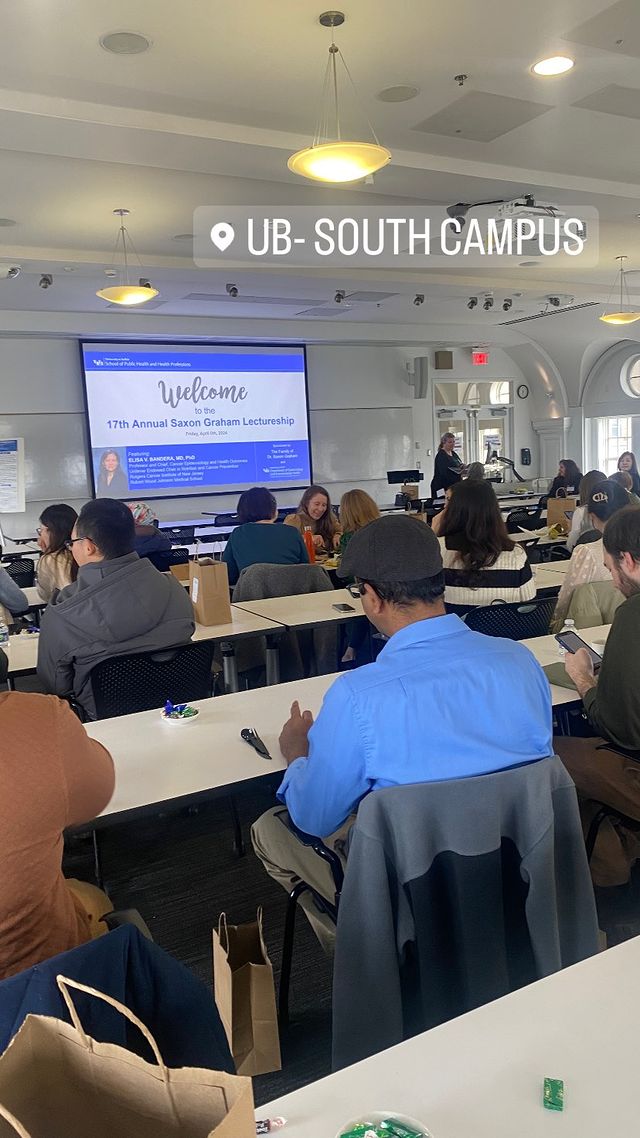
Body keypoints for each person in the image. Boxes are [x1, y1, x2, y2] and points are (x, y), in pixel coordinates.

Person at [251, 515, 553, 950]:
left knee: (269, 829)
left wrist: (298, 757)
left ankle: (371, 958)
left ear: (371, 598)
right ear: (441, 583)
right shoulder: (521, 663)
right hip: (517, 874)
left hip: (411, 890)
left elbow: (315, 817)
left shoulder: (357, 696)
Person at [37, 499, 194, 720]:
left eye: (72, 542)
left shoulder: (62, 612)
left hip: (103, 725)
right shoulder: (174, 588)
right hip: (177, 711)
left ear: (89, 547)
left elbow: (55, 685)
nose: (71, 547)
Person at [0, 690, 115, 979]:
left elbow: (54, 674)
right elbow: (92, 801)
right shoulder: (40, 718)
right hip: (43, 977)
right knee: (93, 899)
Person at [555, 506, 640, 886]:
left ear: (628, 561)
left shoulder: (632, 615)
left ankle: (588, 878)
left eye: (609, 569)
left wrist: (585, 681)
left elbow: (619, 729)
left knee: (548, 752)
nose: (612, 579)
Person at [439, 480, 535, 609]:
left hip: (454, 628)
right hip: (504, 628)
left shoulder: (437, 551)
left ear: (454, 510)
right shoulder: (516, 554)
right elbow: (528, 606)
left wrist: (433, 535)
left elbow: (425, 606)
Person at [551, 480, 631, 631]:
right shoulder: (633, 550)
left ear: (592, 516)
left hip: (591, 634)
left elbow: (566, 600)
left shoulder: (587, 553)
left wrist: (552, 621)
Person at [222, 486, 308, 586]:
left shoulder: (238, 533)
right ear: (274, 510)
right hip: (294, 594)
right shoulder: (292, 532)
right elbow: (306, 569)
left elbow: (228, 575)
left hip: (253, 595)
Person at [337, 489, 381, 664]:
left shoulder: (349, 537)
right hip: (383, 587)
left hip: (359, 588)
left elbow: (345, 573)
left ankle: (349, 649)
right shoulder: (382, 531)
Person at [36, 503, 78, 602]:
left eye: (41, 531)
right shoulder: (84, 551)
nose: (40, 536)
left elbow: (45, 596)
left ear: (50, 531)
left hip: (65, 613)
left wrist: (46, 552)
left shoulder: (49, 560)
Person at [284, 485, 341, 553]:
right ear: (307, 503)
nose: (320, 509)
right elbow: (285, 540)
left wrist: (338, 535)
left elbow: (342, 531)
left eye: (324, 505)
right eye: (317, 504)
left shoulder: (330, 519)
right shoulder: (294, 519)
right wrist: (307, 538)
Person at [565, 470, 606, 552]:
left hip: (586, 557)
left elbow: (571, 546)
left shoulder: (581, 512)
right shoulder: (616, 509)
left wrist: (570, 530)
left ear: (583, 489)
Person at [431, 432, 465, 497]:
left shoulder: (453, 453)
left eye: (453, 442)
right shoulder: (441, 455)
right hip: (442, 486)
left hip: (454, 485)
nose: (453, 444)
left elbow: (458, 464)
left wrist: (462, 467)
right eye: (450, 442)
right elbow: (444, 473)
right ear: (444, 443)